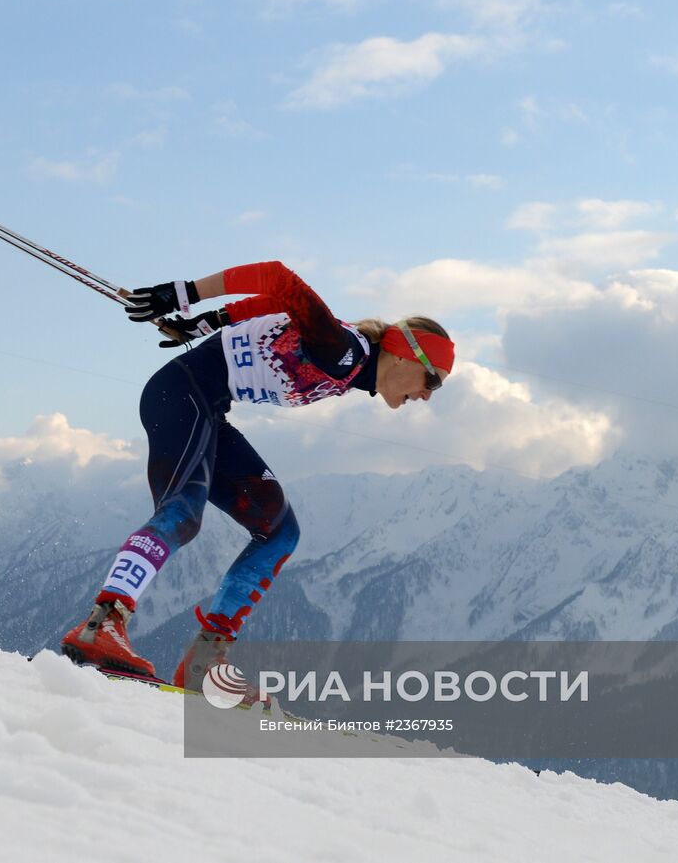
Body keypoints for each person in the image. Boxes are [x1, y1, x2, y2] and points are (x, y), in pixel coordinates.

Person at [60, 261, 454, 686]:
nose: (428, 395)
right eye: (433, 378)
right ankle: (103, 623)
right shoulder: (344, 350)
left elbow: (279, 306)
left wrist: (213, 320)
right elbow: (277, 278)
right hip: (182, 395)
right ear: (401, 354)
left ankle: (202, 664)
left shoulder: (349, 359)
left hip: (205, 407)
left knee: (280, 532)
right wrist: (184, 293)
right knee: (183, 512)